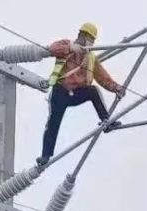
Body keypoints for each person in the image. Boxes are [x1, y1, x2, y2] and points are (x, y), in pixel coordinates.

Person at [39, 22, 124, 166]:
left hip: (76, 93)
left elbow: (102, 77)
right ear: (82, 36)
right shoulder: (68, 46)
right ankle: (45, 155)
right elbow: (52, 48)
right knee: (53, 122)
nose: (91, 42)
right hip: (60, 91)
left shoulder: (90, 58)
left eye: (93, 40)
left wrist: (116, 88)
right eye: (89, 38)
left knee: (93, 91)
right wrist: (70, 48)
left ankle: (106, 121)